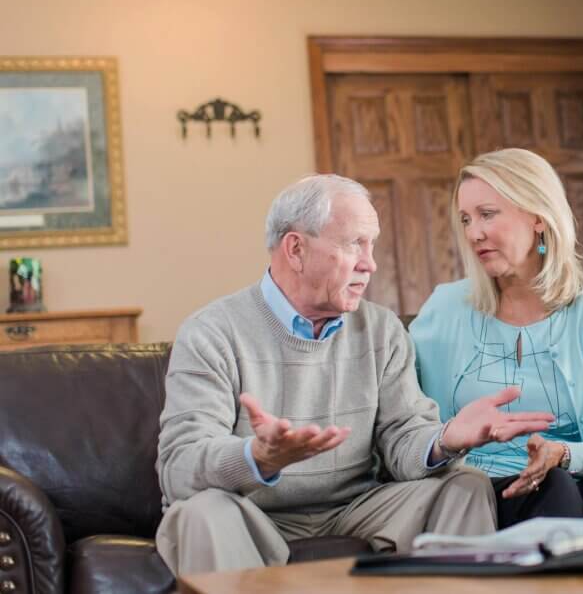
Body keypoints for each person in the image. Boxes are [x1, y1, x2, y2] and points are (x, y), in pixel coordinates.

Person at [156, 174, 555, 576]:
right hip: (250, 512)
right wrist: (257, 457)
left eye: (372, 244)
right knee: (201, 513)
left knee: (465, 487)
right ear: (295, 249)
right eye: (354, 244)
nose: (371, 263)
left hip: (356, 508)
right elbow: (179, 466)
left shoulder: (381, 330)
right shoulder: (212, 332)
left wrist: (445, 439)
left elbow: (404, 439)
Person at [411, 148, 583, 529]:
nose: (474, 232)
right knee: (553, 489)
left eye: (487, 214)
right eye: (465, 219)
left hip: (566, 476)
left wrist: (559, 453)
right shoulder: (444, 309)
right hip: (479, 491)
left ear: (538, 218)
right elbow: (411, 424)